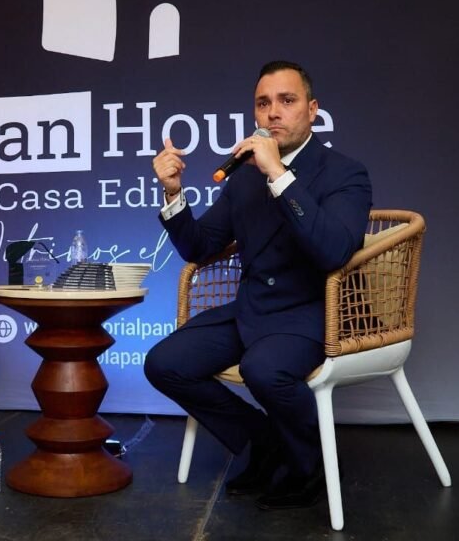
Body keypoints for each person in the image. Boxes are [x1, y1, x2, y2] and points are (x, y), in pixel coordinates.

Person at [145, 61, 372, 510]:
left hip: (314, 309)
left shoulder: (344, 173)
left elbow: (333, 251)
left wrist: (280, 176)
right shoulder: (245, 176)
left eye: (287, 101)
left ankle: (309, 465)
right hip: (254, 308)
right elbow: (199, 247)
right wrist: (173, 193)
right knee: (164, 363)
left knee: (264, 369)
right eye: (263, 103)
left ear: (312, 110)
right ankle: (266, 440)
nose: (273, 113)